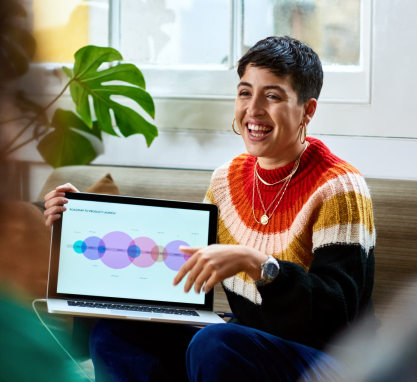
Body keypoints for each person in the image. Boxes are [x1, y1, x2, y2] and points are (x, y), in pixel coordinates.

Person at [44, 36, 376, 381]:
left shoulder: (339, 187)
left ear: (307, 110)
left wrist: (258, 264)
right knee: (115, 335)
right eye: (245, 92)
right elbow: (177, 275)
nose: (253, 109)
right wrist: (81, 219)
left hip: (332, 359)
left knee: (217, 343)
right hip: (245, 344)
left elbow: (337, 317)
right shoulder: (227, 181)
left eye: (272, 96)